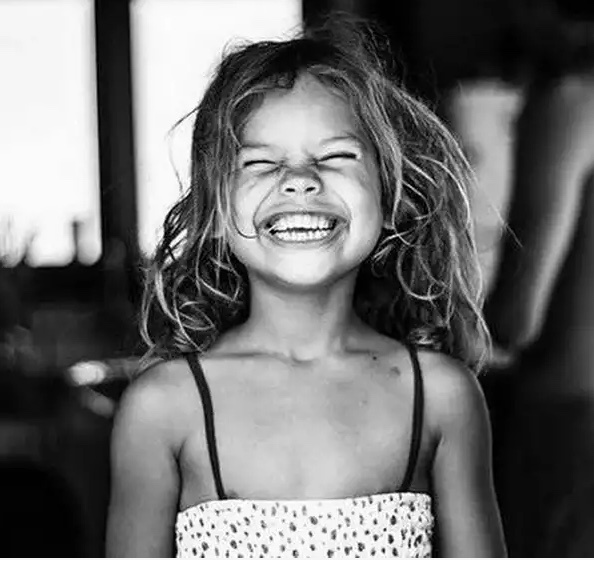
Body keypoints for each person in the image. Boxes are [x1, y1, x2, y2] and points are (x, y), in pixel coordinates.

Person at [105, 17, 506, 558]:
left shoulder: (441, 396)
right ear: (216, 213)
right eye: (260, 162)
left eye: (336, 156)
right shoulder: (163, 407)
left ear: (390, 196)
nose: (299, 180)